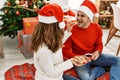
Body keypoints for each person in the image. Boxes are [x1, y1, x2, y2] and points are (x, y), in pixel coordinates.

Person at [62, 0, 120, 80]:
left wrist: (98, 52)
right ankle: (100, 70)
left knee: (117, 60)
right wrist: (77, 57)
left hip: (93, 56)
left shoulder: (97, 28)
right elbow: (65, 51)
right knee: (87, 78)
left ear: (89, 18)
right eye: (77, 15)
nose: (78, 18)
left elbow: (99, 44)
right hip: (80, 60)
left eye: (82, 16)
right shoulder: (71, 29)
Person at [30, 3, 83, 80]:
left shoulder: (50, 40)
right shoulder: (43, 50)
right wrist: (71, 62)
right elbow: (52, 73)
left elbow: (58, 42)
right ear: (55, 28)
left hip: (58, 77)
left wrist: (68, 31)